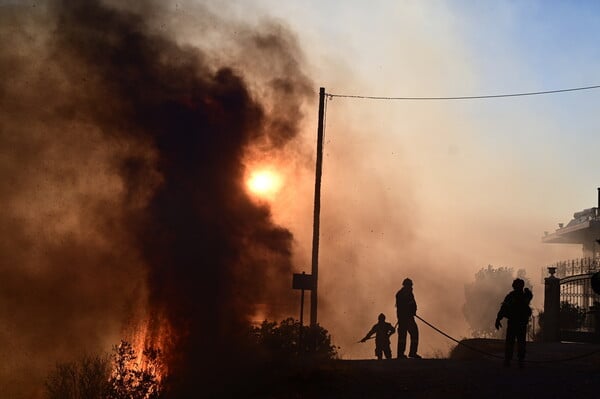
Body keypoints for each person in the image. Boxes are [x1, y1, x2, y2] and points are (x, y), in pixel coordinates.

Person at [495, 278, 533, 368]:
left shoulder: (511, 296)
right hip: (520, 323)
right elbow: (529, 297)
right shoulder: (524, 296)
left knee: (511, 342)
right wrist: (498, 319)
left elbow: (503, 308)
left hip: (513, 322)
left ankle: (509, 360)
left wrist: (498, 319)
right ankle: (519, 360)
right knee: (519, 342)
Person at [395, 278, 421, 359]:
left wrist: (413, 311)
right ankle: (401, 354)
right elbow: (401, 307)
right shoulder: (400, 294)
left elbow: (413, 304)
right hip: (404, 318)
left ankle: (412, 353)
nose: (411, 287)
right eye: (410, 285)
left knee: (414, 334)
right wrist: (408, 312)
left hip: (409, 318)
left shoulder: (409, 293)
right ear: (406, 285)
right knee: (402, 337)